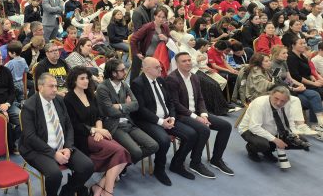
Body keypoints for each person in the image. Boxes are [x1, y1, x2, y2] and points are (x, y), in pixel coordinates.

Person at [19, 73, 94, 196]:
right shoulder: (29, 106)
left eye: (56, 86)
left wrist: (68, 147)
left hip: (62, 146)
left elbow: (68, 126)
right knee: (54, 174)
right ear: (40, 87)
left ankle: (67, 194)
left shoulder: (59, 100)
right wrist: (53, 154)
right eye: (51, 86)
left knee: (87, 166)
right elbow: (30, 137)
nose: (55, 89)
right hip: (37, 149)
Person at [63, 67, 130, 196]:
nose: (86, 81)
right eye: (82, 78)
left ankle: (100, 188)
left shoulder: (90, 94)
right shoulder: (69, 99)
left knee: (123, 153)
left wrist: (99, 129)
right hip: (82, 137)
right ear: (74, 80)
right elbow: (74, 125)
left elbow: (98, 116)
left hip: (97, 133)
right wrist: (95, 131)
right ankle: (107, 192)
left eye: (87, 78)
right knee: (121, 152)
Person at [130, 57, 199, 186]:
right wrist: (161, 122)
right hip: (148, 120)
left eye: (160, 66)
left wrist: (172, 116)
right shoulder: (137, 83)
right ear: (147, 69)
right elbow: (141, 110)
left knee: (192, 134)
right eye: (157, 67)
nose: (160, 69)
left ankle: (177, 164)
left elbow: (170, 101)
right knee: (164, 140)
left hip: (167, 118)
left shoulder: (161, 80)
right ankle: (159, 169)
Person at [165, 52, 234, 176]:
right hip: (181, 115)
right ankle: (195, 162)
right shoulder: (172, 79)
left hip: (196, 113)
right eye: (184, 61)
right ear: (177, 63)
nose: (188, 63)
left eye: (189, 60)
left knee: (226, 126)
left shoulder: (194, 77)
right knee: (204, 130)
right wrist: (196, 117)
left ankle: (216, 159)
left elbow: (200, 98)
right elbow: (175, 104)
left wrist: (203, 114)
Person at [96, 59, 159, 166]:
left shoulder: (124, 84)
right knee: (137, 152)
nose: (125, 72)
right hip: (114, 126)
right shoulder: (102, 88)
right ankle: (118, 166)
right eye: (122, 70)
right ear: (113, 73)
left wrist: (120, 106)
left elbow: (136, 105)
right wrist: (127, 106)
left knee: (153, 146)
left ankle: (121, 165)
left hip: (129, 122)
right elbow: (110, 112)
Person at [238, 86, 304, 165]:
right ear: (271, 94)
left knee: (301, 142)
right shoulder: (260, 103)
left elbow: (289, 120)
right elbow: (254, 127)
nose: (278, 103)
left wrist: (294, 133)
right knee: (262, 144)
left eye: (282, 101)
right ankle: (251, 149)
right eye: (276, 98)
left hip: (272, 129)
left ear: (287, 100)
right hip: (249, 129)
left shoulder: (287, 103)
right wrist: (276, 140)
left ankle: (267, 151)